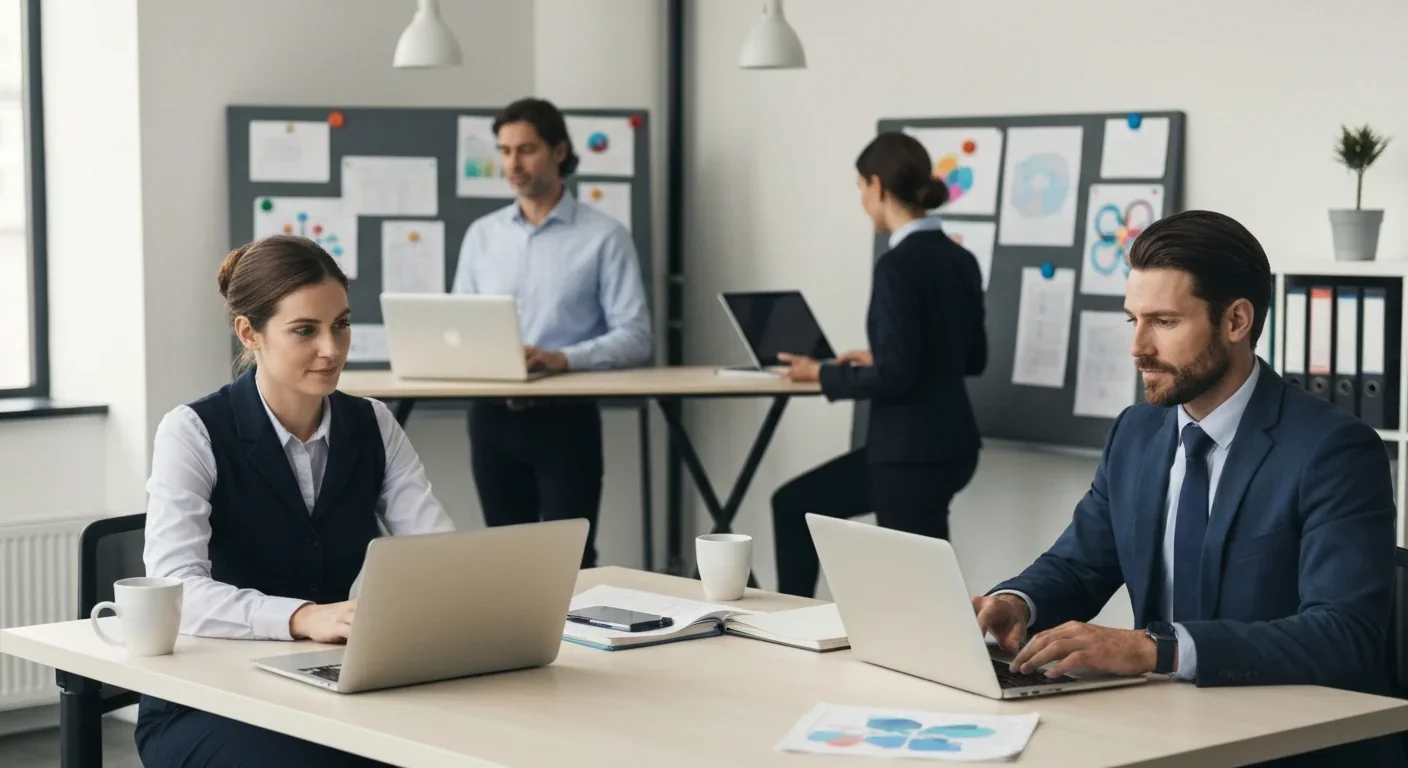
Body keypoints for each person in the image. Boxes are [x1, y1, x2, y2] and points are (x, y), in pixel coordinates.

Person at [972, 210, 1405, 767]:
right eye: (1132, 320)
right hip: (1165, 731)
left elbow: (1342, 635)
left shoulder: (1334, 450)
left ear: (1236, 321)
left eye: (1164, 321)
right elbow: (1079, 565)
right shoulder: (1136, 433)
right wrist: (1015, 603)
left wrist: (1156, 649)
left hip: (1297, 745)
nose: (1138, 346)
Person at [135, 235, 455, 768]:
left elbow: (438, 553)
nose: (332, 349)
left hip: (335, 686)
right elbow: (178, 590)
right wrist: (302, 617)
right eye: (305, 330)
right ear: (249, 332)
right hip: (210, 702)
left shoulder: (373, 423)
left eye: (342, 325)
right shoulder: (191, 431)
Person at [771, 131, 987, 597]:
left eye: (860, 190)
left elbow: (898, 375)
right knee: (795, 505)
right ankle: (791, 629)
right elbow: (972, 357)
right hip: (953, 447)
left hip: (909, 454)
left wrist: (822, 373)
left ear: (878, 186)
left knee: (914, 594)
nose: (862, 202)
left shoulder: (897, 266)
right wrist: (881, 355)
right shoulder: (961, 258)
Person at [451, 97, 652, 568]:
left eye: (526, 150)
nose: (512, 164)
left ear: (559, 151)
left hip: (565, 420)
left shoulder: (604, 236)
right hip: (491, 419)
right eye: (504, 151)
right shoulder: (482, 235)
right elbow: (458, 324)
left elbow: (638, 335)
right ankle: (513, 646)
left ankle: (578, 645)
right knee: (505, 560)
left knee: (570, 562)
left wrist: (562, 359)